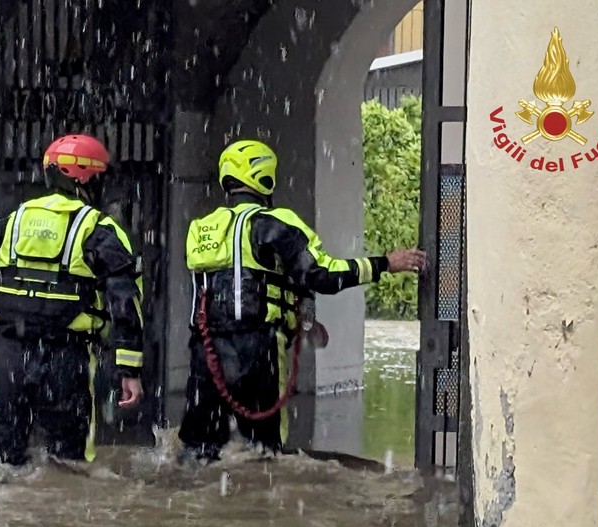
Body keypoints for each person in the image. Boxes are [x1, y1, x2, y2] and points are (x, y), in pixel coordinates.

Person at [178, 138, 426, 465]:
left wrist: (307, 322)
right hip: (259, 350)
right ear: (265, 177)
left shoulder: (201, 228)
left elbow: (282, 282)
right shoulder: (276, 223)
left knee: (199, 451)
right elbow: (318, 276)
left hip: (205, 354)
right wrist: (383, 264)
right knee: (263, 453)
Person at [0, 133, 145, 469]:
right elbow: (125, 302)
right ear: (86, 178)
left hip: (8, 355)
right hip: (67, 360)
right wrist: (129, 368)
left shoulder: (11, 222)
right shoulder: (99, 228)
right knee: (68, 466)